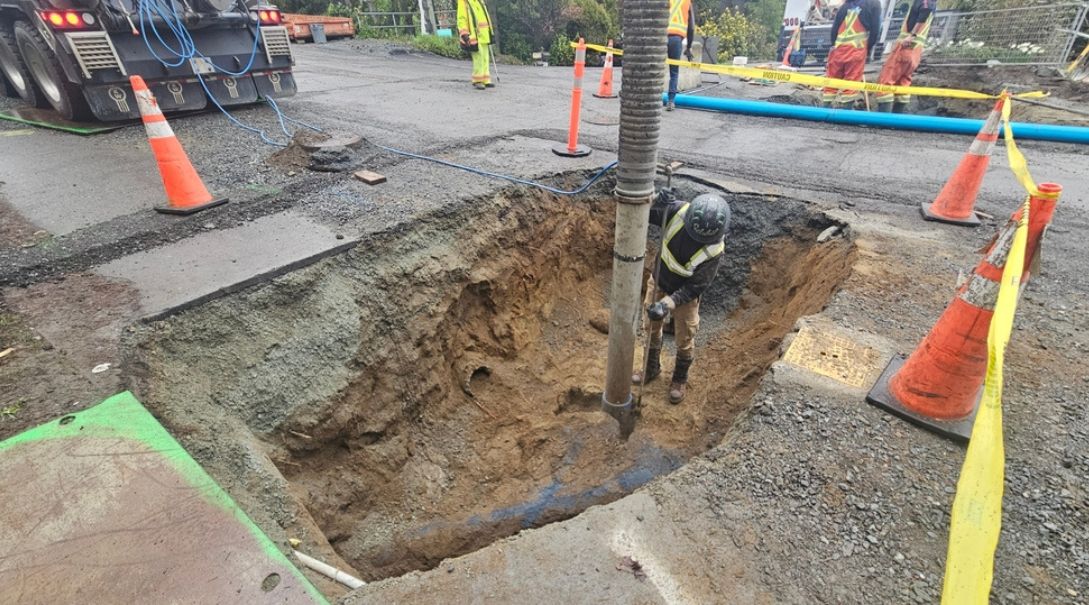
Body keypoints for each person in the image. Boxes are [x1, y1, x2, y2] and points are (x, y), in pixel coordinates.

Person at [632, 193, 732, 404]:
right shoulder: (677, 212)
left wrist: (666, 304)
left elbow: (696, 286)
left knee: (685, 336)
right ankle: (651, 369)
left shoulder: (714, 249)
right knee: (650, 326)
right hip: (660, 279)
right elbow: (641, 211)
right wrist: (657, 198)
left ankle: (679, 379)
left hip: (685, 296)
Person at [876, 0, 935, 113]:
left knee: (887, 80)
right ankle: (896, 120)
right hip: (915, 50)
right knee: (903, 82)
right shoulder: (932, 3)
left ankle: (883, 120)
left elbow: (925, 10)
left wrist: (911, 35)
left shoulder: (925, 2)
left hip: (906, 48)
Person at [822, 0, 881, 108]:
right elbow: (875, 31)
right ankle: (845, 114)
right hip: (856, 51)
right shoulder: (873, 4)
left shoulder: (845, 6)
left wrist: (834, 47)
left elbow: (834, 30)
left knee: (831, 83)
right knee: (850, 85)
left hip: (838, 50)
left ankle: (824, 113)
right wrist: (868, 49)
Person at [665, 0, 696, 111]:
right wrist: (688, 47)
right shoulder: (687, 2)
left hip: (660, 37)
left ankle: (647, 96)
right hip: (676, 39)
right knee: (674, 72)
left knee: (653, 67)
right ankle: (670, 101)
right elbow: (691, 28)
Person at [457, 0, 494, 90]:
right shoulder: (464, 2)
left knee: (485, 57)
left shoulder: (479, 1)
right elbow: (461, 18)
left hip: (484, 34)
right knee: (478, 57)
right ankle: (478, 80)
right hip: (474, 35)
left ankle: (485, 79)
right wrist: (464, 34)